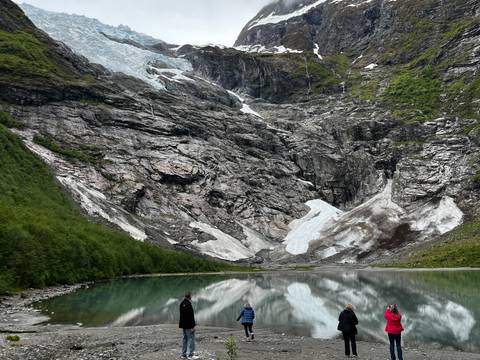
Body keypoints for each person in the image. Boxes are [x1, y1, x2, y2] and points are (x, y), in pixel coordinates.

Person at [179, 292, 197, 359]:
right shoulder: (188, 304)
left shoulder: (182, 303)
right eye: (191, 295)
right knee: (191, 339)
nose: (191, 296)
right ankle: (191, 355)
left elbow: (182, 316)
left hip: (183, 325)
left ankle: (183, 354)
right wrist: (193, 326)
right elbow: (190, 316)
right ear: (189, 296)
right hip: (189, 325)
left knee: (185, 339)